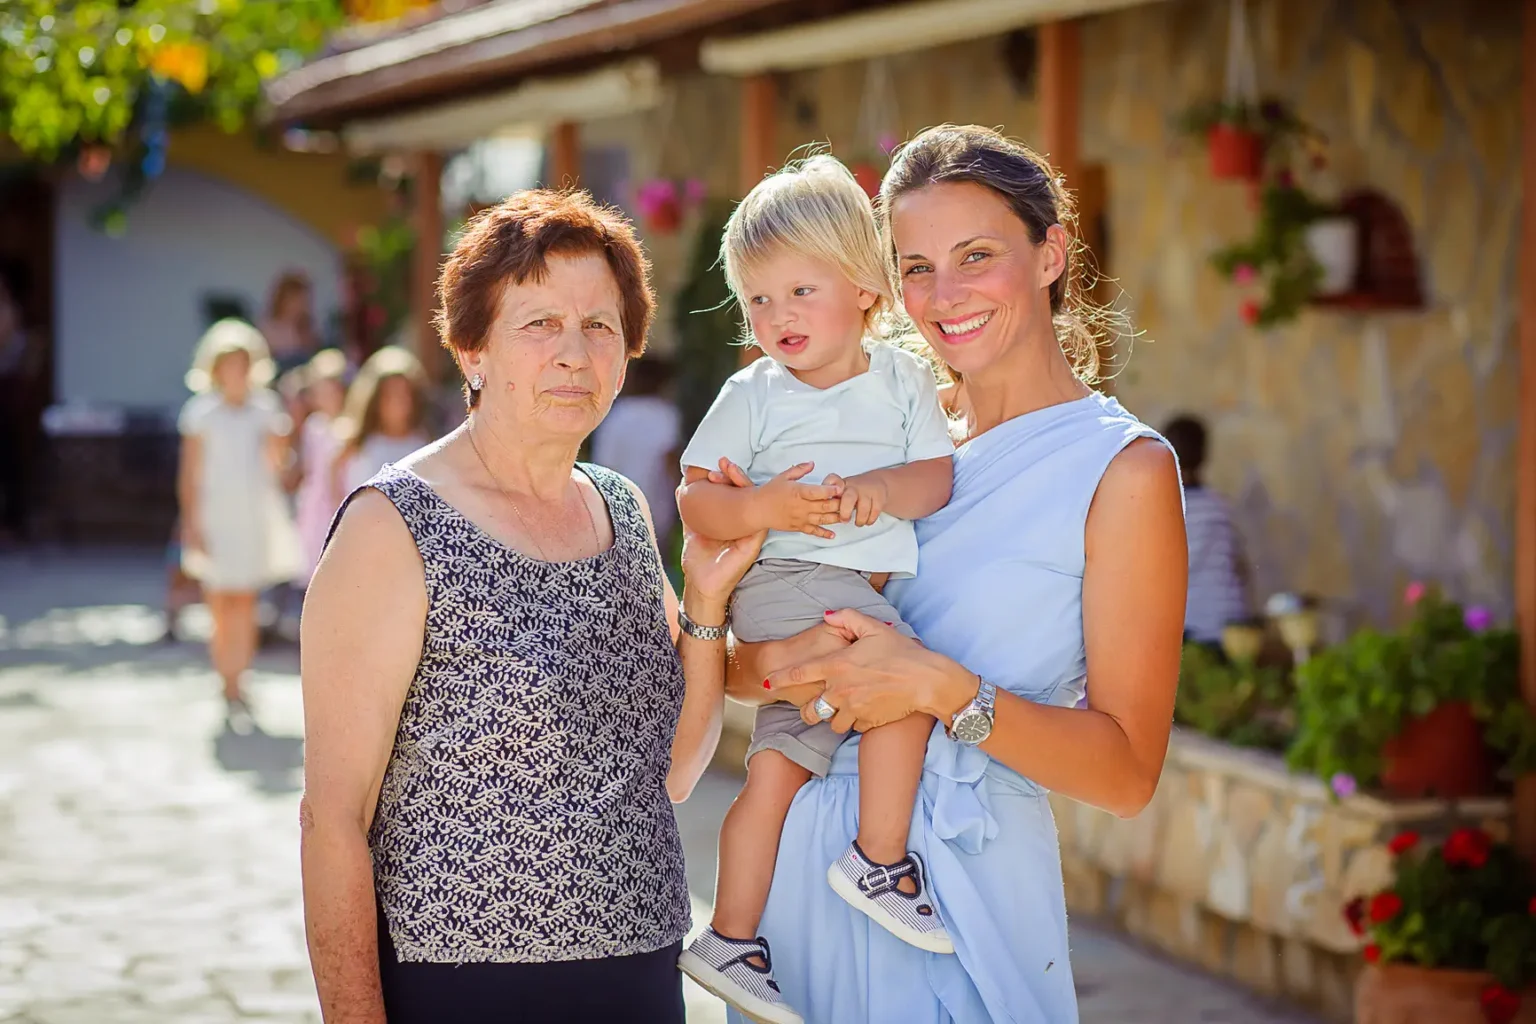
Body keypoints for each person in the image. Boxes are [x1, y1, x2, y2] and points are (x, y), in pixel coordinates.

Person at [698, 125, 1188, 1023]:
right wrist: (775, 653)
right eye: (916, 266)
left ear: (1052, 253)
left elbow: (1126, 776)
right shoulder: (871, 435)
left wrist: (940, 688)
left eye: (976, 256)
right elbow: (751, 669)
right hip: (797, 879)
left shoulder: (1122, 470)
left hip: (957, 891)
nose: (945, 295)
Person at [299, 188, 763, 1024]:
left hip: (639, 973)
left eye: (600, 326)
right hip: (465, 989)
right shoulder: (392, 526)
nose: (575, 354)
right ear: (472, 349)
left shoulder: (621, 508)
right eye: (540, 324)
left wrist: (703, 600)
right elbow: (331, 823)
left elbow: (677, 771)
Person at [675, 156, 956, 1024]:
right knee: (904, 688)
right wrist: (758, 502)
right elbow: (693, 496)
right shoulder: (754, 392)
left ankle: (727, 935)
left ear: (866, 288)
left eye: (800, 292)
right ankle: (879, 858)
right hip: (791, 577)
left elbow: (936, 479)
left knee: (776, 766)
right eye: (758, 300)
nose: (775, 317)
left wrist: (884, 489)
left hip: (839, 583)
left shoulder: (902, 381)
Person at [177, 319, 302, 716]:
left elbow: (278, 467)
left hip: (251, 516)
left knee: (245, 602)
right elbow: (189, 476)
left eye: (242, 364)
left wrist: (283, 440)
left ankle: (240, 678)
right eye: (228, 364)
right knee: (218, 603)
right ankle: (225, 678)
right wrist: (191, 523)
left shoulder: (265, 409)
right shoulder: (200, 412)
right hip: (215, 516)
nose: (236, 372)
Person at [1162, 414, 1249, 646]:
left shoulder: (1163, 509)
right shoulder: (1220, 506)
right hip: (1230, 628)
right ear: (1204, 455)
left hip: (1188, 629)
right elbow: (1240, 568)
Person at [589, 357, 682, 547]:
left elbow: (602, 463)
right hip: (656, 508)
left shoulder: (616, 414)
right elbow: (670, 461)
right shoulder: (665, 414)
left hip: (615, 508)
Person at [333, 346, 431, 496]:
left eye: (404, 394)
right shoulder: (357, 441)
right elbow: (333, 476)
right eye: (389, 395)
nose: (397, 402)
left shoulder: (425, 441)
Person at [291, 349, 349, 585]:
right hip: (316, 503)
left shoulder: (348, 427)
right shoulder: (313, 426)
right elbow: (308, 468)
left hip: (339, 498)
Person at [260, 270, 320, 375]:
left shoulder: (307, 327)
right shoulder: (267, 327)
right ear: (282, 299)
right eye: (293, 299)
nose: (298, 304)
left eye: (302, 300)